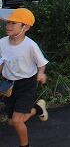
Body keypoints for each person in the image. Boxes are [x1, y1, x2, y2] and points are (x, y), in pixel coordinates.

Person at [0, 8, 48, 147]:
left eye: (13, 23)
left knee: (17, 121)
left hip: (27, 84)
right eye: (8, 22)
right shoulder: (2, 42)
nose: (8, 26)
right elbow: (2, 61)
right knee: (12, 122)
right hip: (8, 84)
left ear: (25, 27)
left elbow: (41, 64)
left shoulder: (30, 46)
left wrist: (41, 73)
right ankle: (38, 109)